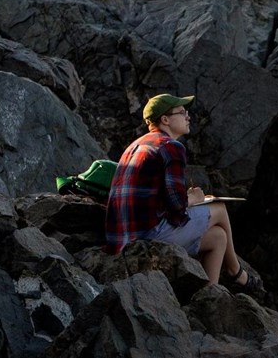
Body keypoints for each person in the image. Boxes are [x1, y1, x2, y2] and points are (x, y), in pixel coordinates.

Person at [104, 93, 263, 294]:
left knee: (218, 237)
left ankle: (210, 295)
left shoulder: (135, 146)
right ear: (165, 120)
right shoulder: (170, 146)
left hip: (121, 238)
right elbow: (177, 205)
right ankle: (236, 272)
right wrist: (194, 198)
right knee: (219, 209)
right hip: (146, 237)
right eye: (182, 112)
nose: (188, 117)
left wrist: (186, 200)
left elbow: (158, 197)